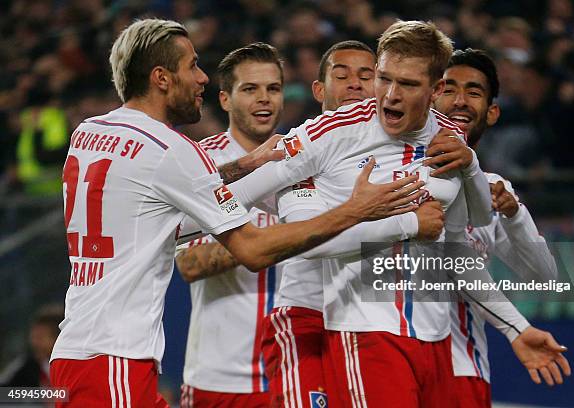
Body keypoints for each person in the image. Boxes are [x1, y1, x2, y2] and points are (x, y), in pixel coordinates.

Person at [49, 19, 424, 407]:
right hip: (116, 359)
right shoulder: (174, 150)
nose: (201, 79)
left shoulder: (89, 132)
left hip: (79, 348)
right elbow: (252, 250)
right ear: (161, 78)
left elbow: (167, 220)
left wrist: (245, 167)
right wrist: (357, 210)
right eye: (191, 66)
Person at [229, 20, 569, 407]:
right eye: (383, 79)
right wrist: (178, 224)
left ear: (434, 90)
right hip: (364, 331)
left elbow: (456, 250)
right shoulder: (330, 133)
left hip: (436, 341)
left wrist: (516, 329)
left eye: (406, 84)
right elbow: (288, 229)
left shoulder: (450, 142)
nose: (388, 95)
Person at [433, 48, 568, 407]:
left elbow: (544, 277)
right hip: (394, 355)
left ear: (492, 113)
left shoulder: (495, 190)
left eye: (474, 92)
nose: (460, 101)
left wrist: (514, 214)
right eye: (449, 89)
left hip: (464, 370)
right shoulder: (393, 174)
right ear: (430, 96)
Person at [261, 40, 378, 408]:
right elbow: (310, 237)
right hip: (307, 316)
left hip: (373, 320)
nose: (355, 84)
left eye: (366, 76)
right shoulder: (299, 150)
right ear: (319, 90)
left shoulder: (399, 151)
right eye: (341, 75)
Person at [176, 42, 285, 408]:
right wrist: (286, 236)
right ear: (225, 99)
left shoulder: (308, 159)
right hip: (219, 376)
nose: (264, 99)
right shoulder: (202, 163)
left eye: (273, 88)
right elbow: (189, 264)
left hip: (291, 370)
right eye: (250, 89)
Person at [0, 305, 63, 388]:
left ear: (57, 338)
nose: (34, 343)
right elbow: (3, 392)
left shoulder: (70, 367)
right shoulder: (25, 367)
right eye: (33, 337)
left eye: (40, 338)